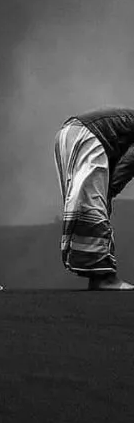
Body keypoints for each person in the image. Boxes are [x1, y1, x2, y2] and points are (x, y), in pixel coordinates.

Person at [54, 109, 134, 290]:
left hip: (69, 134)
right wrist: (110, 192)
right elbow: (127, 164)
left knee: (81, 207)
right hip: (87, 136)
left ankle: (96, 274)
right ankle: (104, 277)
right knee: (92, 206)